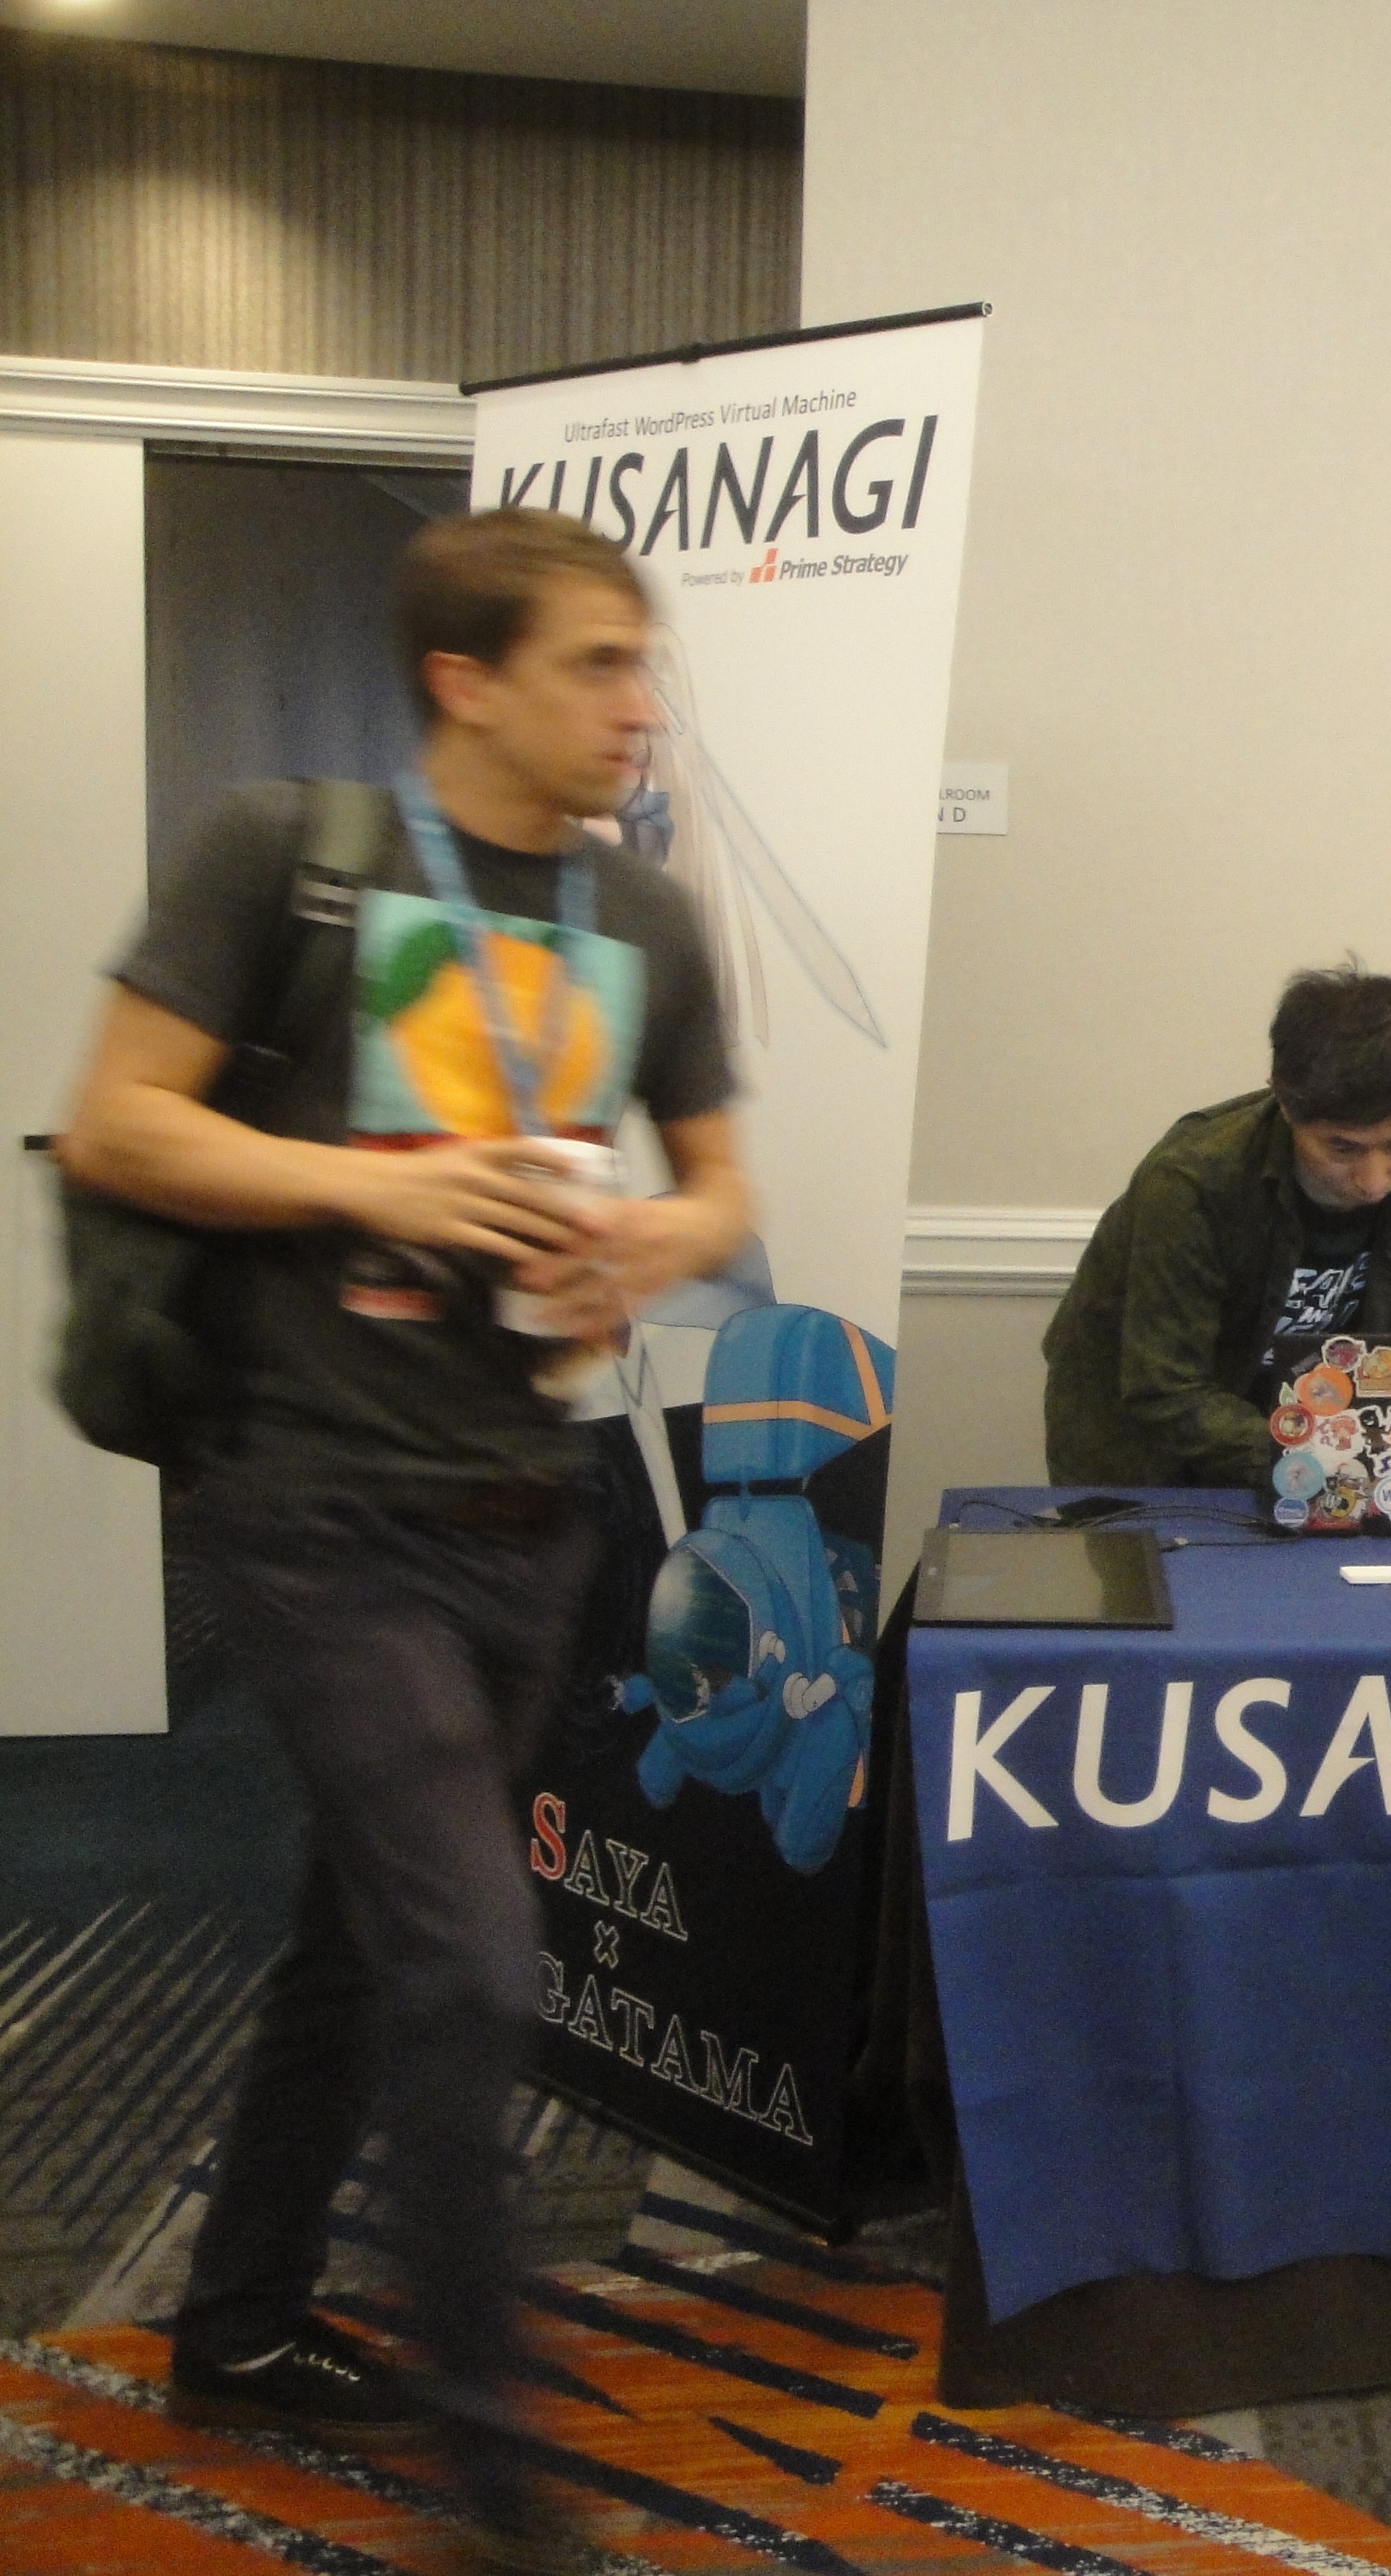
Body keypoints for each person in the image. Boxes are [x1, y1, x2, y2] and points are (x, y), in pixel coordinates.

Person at [56, 509, 746, 2571]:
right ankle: (499, 2485)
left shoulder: (646, 916)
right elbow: (120, 1119)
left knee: (368, 1939)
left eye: (642, 664)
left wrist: (647, 1241)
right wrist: (381, 1186)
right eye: (597, 663)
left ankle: (241, 2324)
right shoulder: (291, 853)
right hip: (312, 1500)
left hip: (526, 1509)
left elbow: (722, 1186)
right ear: (466, 678)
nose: (637, 705)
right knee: (468, 1959)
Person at [1042, 966, 1391, 1487]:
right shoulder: (1192, 1180)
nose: (1374, 1183)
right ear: (1283, 1101)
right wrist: (1337, 1460)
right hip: (1138, 1439)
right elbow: (1164, 1388)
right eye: (1342, 1148)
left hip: (1320, 1428)